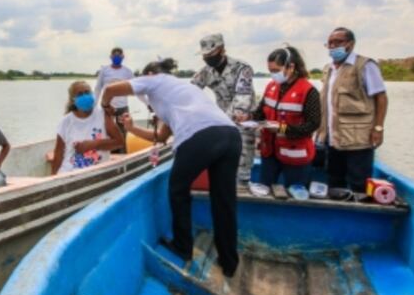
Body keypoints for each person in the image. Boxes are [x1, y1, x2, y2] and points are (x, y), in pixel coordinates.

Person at [102, 58, 241, 277]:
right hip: (230, 135)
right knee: (224, 201)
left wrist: (105, 105)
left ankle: (183, 246)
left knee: (177, 190)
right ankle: (229, 261)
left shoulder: (154, 80)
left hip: (200, 136)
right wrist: (131, 128)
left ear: (147, 75)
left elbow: (110, 89)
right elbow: (161, 136)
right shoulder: (181, 89)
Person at [317, 27, 388, 192]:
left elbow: (381, 97)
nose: (333, 46)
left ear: (351, 44)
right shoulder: (329, 69)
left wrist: (378, 128)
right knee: (334, 179)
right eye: (330, 43)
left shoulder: (364, 66)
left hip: (358, 139)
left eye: (338, 42)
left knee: (358, 181)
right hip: (333, 137)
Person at [240, 46, 321, 187]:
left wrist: (281, 129)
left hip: (295, 156)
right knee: (264, 189)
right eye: (270, 71)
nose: (273, 74)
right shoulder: (271, 87)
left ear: (291, 67)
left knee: (296, 193)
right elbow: (261, 112)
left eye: (276, 71)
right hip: (269, 153)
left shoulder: (309, 91)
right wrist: (248, 117)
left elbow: (312, 125)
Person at [191, 33, 256, 182]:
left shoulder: (242, 68)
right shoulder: (205, 72)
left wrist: (217, 120)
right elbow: (189, 91)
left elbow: (242, 100)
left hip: (242, 123)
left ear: (221, 49)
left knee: (242, 167)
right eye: (204, 55)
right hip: (221, 125)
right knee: (222, 165)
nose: (207, 57)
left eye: (210, 53)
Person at [51, 81, 123, 174]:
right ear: (73, 100)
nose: (85, 96)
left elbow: (119, 142)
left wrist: (94, 144)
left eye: (87, 92)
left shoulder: (102, 114)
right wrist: (53, 177)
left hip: (95, 172)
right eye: (80, 94)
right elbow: (58, 154)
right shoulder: (66, 121)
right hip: (68, 172)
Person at [94, 47, 134, 147]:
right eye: (114, 55)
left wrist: (148, 104)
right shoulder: (104, 70)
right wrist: (93, 106)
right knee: (107, 132)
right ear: (111, 57)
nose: (117, 57)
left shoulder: (128, 72)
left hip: (122, 107)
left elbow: (137, 89)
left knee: (123, 132)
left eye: (119, 55)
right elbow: (98, 88)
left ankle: (123, 154)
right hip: (107, 108)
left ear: (123, 57)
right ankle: (109, 155)